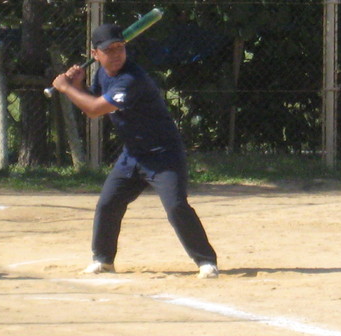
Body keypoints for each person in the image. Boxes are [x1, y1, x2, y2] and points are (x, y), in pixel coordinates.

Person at [52, 23, 218, 278]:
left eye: (120, 47)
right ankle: (104, 260)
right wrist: (79, 84)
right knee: (108, 204)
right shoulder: (103, 75)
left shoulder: (131, 79)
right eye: (109, 50)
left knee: (176, 206)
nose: (116, 54)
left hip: (163, 154)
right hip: (133, 155)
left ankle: (206, 261)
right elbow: (92, 103)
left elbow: (95, 109)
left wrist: (66, 88)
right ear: (95, 54)